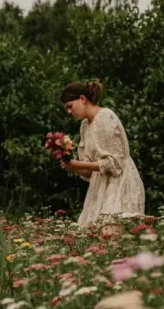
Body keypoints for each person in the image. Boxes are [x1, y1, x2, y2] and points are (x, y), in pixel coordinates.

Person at [60, 80, 145, 229]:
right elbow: (89, 170)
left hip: (119, 184)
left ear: (82, 99)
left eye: (70, 106)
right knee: (93, 241)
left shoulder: (105, 117)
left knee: (112, 236)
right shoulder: (85, 126)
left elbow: (115, 164)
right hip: (100, 187)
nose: (69, 111)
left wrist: (77, 164)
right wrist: (72, 166)